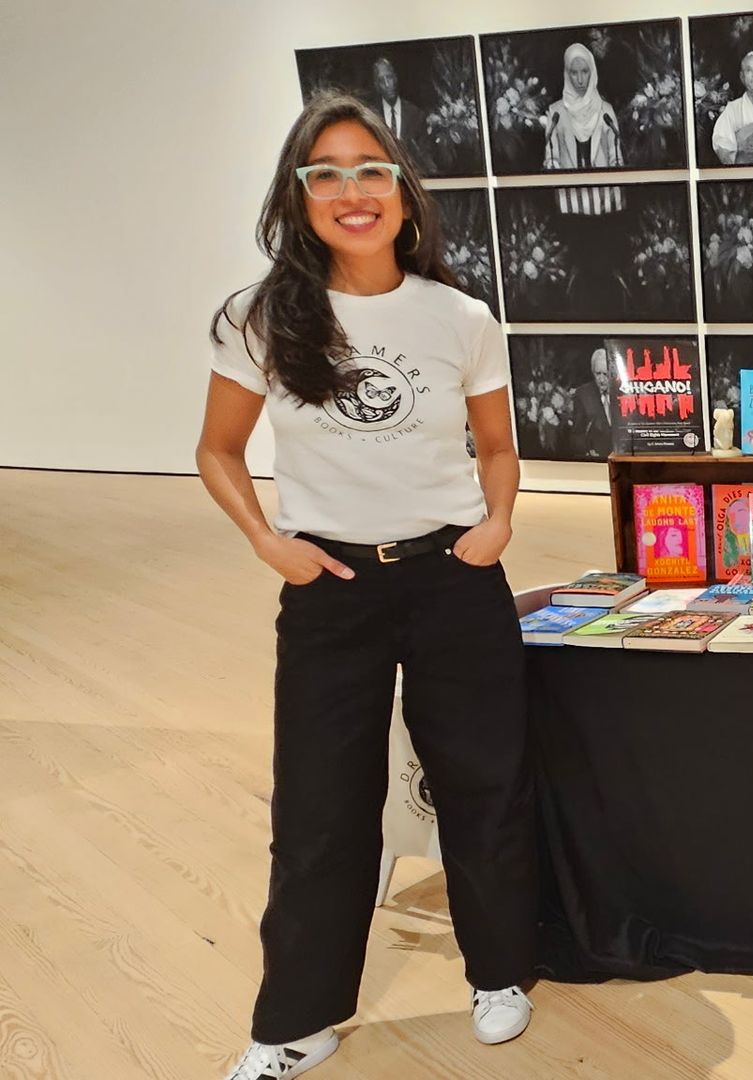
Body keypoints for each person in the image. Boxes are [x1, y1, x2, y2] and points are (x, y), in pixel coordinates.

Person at [197, 93, 536, 1079]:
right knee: (319, 804)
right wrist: (267, 539)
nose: (352, 191)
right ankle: (297, 1020)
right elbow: (218, 450)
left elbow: (497, 444)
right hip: (330, 583)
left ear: (403, 191)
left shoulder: (459, 315)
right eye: (327, 174)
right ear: (298, 196)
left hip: (451, 577)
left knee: (486, 783)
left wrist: (497, 523)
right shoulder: (259, 316)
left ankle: (501, 973)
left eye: (370, 170)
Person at [543, 43, 626, 217]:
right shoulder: (556, 112)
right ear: (567, 74)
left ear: (593, 72)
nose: (580, 79)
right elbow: (552, 158)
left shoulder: (606, 110)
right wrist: (553, 168)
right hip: (570, 203)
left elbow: (615, 155)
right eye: (574, 73)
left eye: (585, 71)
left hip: (605, 202)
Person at [370, 57, 426, 159]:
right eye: (382, 81)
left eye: (389, 77)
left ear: (395, 78)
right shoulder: (372, 117)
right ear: (376, 86)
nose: (387, 84)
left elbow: (424, 158)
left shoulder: (416, 115)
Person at [570, 346, 617, 456]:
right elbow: (576, 436)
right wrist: (587, 450)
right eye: (597, 373)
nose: (601, 380)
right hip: (597, 459)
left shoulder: (623, 391)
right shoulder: (583, 395)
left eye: (605, 374)